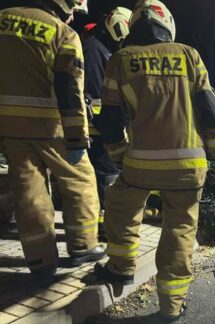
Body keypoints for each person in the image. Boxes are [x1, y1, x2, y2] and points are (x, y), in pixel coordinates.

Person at [93, 0, 215, 324]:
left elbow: (109, 120)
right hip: (188, 165)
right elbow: (209, 110)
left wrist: (119, 154)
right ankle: (172, 307)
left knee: (122, 209)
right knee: (179, 229)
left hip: (140, 164)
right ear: (168, 24)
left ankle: (120, 268)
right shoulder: (189, 55)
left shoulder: (120, 60)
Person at [0, 0, 105, 284]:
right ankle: (83, 246)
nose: (71, 19)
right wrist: (77, 136)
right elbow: (70, 88)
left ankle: (41, 260)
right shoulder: (62, 33)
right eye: (72, 13)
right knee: (80, 181)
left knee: (29, 191)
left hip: (10, 125)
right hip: (51, 125)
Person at [82, 7, 132, 233]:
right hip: (98, 128)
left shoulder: (103, 48)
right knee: (107, 175)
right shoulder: (94, 49)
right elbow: (95, 94)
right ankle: (107, 226)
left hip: (104, 126)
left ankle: (104, 222)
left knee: (105, 175)